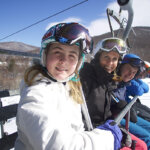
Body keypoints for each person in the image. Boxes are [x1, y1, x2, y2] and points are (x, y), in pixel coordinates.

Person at [14, 22, 122, 150]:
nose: (64, 61)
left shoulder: (68, 86)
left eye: (72, 55)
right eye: (57, 52)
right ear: (45, 54)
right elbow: (58, 145)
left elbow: (77, 131)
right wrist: (108, 138)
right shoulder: (35, 93)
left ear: (78, 62)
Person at [80, 38, 147, 150]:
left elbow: (104, 113)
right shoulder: (86, 76)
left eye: (114, 59)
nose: (110, 63)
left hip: (105, 127)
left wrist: (119, 129)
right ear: (98, 57)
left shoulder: (108, 80)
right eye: (106, 57)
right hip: (92, 134)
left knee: (142, 146)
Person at [114, 54, 150, 149]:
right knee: (147, 138)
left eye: (134, 72)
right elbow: (139, 90)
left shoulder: (126, 82)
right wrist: (120, 105)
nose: (130, 74)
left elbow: (145, 88)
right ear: (120, 66)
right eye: (128, 69)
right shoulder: (114, 80)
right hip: (116, 117)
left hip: (126, 112)